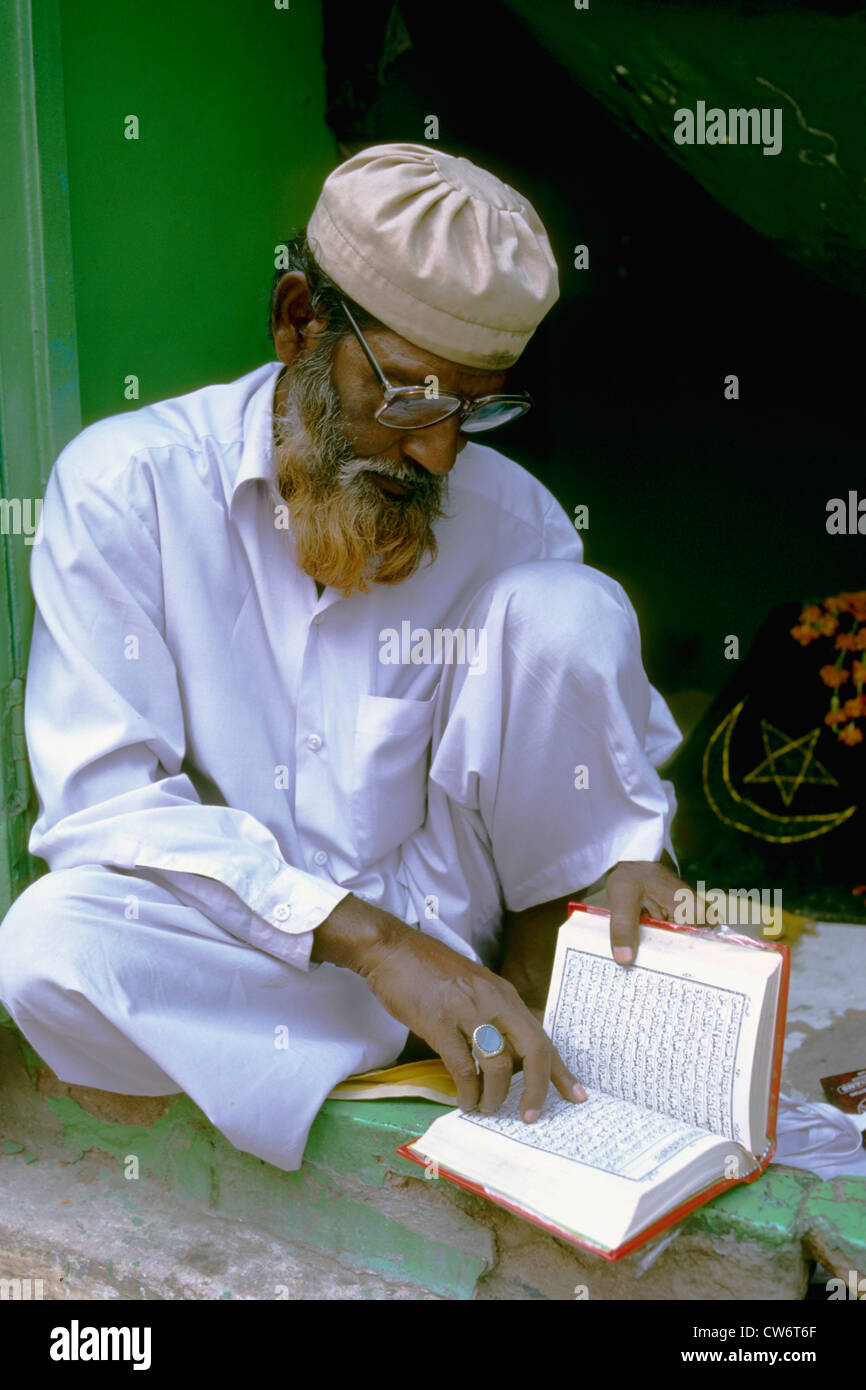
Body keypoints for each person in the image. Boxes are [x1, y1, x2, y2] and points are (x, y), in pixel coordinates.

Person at [0, 143, 688, 1172]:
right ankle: (416, 1031)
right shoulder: (125, 486)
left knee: (568, 609)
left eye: (476, 405)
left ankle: (523, 1015)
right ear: (296, 323)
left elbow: (591, 773)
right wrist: (371, 945)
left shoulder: (514, 519)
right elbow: (106, 806)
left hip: (472, 938)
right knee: (49, 946)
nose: (440, 453)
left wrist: (632, 853)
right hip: (281, 951)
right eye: (408, 396)